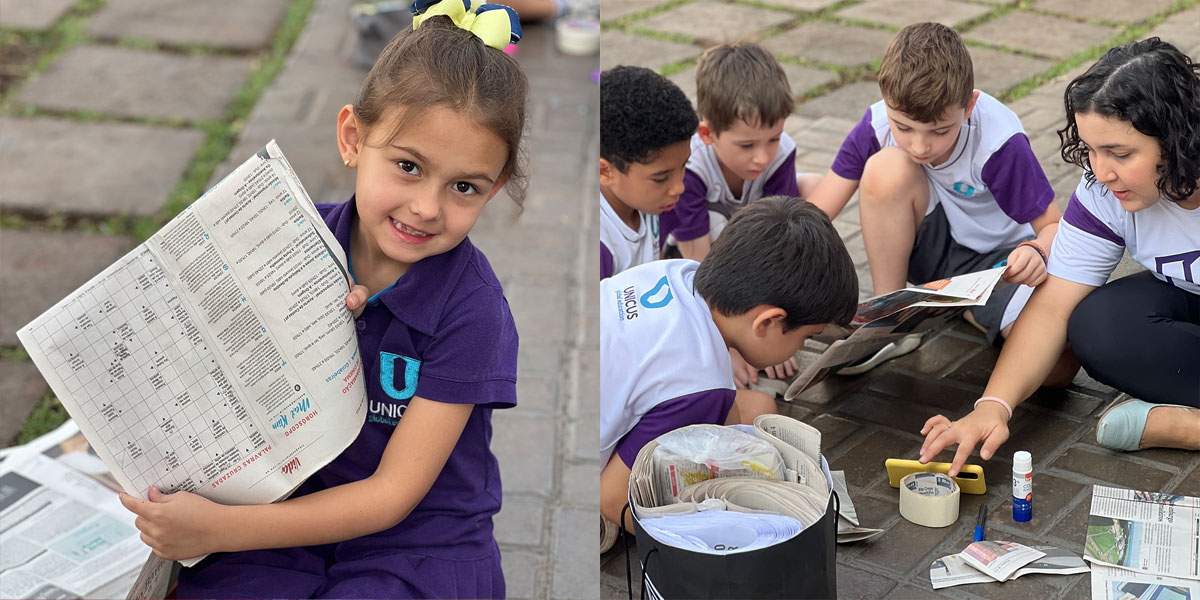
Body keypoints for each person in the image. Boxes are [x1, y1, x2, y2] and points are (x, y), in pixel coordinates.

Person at [119, 4, 528, 598]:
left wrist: (221, 529)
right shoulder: (285, 242)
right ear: (352, 139)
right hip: (283, 512)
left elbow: (391, 497)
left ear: (494, 187)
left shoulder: (474, 312)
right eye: (408, 167)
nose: (427, 207)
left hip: (418, 543)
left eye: (464, 186)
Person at [920, 37, 1200, 476]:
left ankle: (1190, 428)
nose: (1101, 172)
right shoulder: (1102, 191)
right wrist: (992, 407)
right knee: (1096, 325)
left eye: (1120, 154)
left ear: (1178, 140)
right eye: (1091, 149)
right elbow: (1052, 306)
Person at [807, 22, 1069, 376]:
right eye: (903, 127)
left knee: (1057, 369)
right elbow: (814, 214)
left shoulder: (999, 142)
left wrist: (1036, 252)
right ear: (886, 101)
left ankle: (962, 306)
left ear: (969, 106)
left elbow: (1054, 226)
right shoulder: (878, 123)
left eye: (940, 131)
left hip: (999, 265)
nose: (919, 146)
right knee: (887, 167)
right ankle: (889, 322)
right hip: (932, 247)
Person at [599, 197, 858, 533]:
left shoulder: (676, 272)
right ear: (767, 322)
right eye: (806, 337)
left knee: (754, 410)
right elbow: (612, 500)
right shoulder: (702, 384)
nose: (802, 347)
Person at [659, 42, 822, 387]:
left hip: (749, 244)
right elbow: (700, 268)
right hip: (696, 253)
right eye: (747, 146)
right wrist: (729, 348)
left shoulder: (782, 154)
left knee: (812, 192)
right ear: (708, 134)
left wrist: (779, 335)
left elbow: (782, 244)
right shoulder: (690, 166)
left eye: (773, 139)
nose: (762, 157)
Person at [600, 65, 698, 278]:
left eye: (684, 165)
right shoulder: (602, 246)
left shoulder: (659, 202)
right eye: (661, 177)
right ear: (605, 171)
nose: (679, 187)